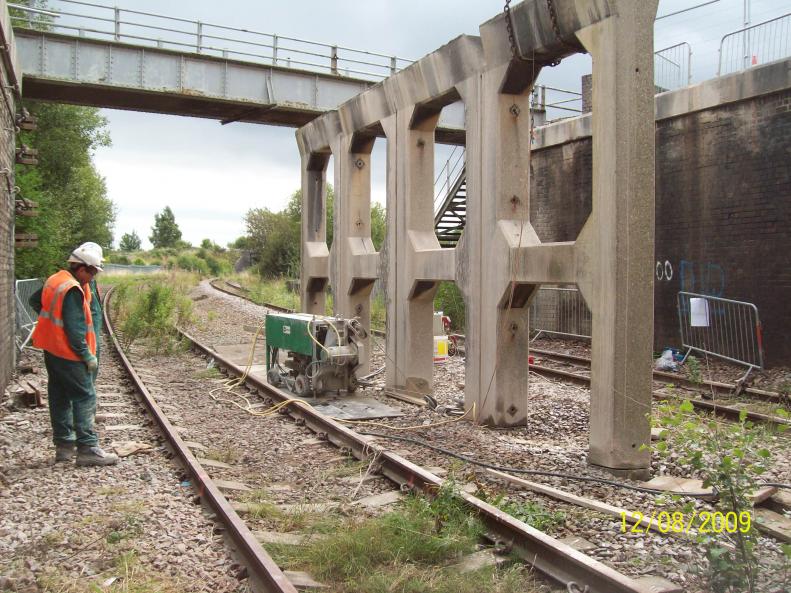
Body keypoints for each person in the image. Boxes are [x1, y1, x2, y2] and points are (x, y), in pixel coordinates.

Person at [30, 242, 119, 466]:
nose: (93, 276)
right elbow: (74, 327)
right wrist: (86, 355)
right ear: (81, 268)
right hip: (70, 353)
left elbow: (35, 301)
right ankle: (88, 448)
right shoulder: (71, 289)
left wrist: (52, 326)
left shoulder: (56, 279)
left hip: (52, 350)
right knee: (85, 396)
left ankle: (64, 447)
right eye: (92, 272)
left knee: (59, 395)